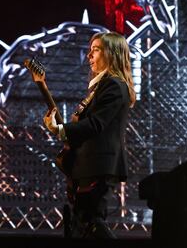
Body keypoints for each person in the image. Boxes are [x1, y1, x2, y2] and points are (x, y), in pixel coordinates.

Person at [43, 31, 135, 239]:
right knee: (84, 223)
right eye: (90, 50)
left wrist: (59, 130)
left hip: (98, 167)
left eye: (96, 50)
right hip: (89, 166)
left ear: (112, 54)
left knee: (91, 221)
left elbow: (95, 124)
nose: (89, 56)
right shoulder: (102, 87)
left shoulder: (114, 86)